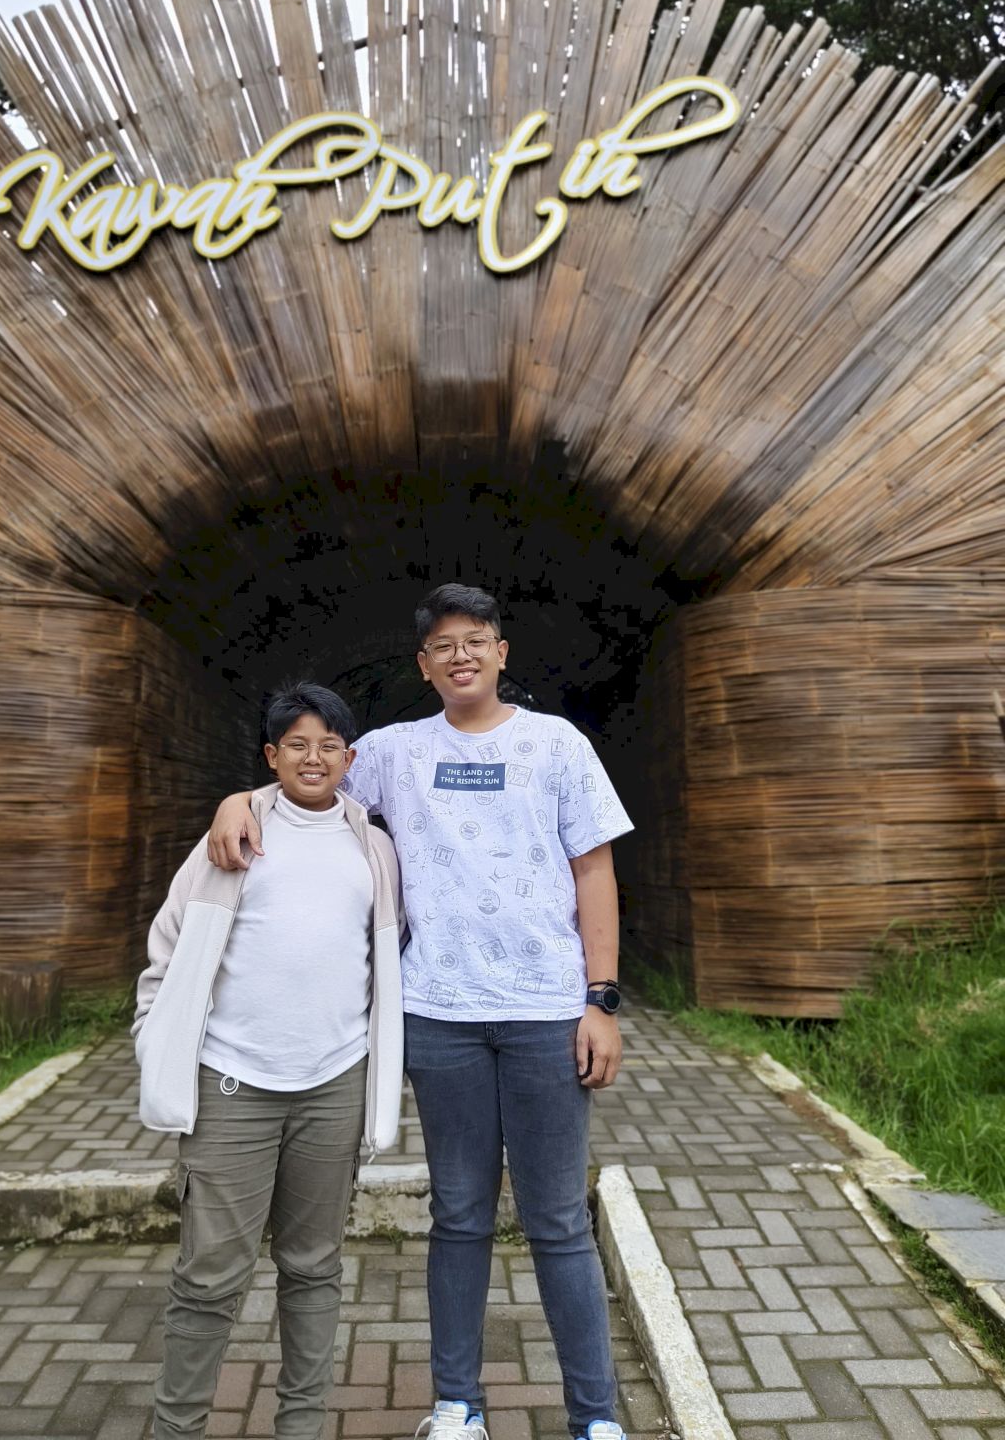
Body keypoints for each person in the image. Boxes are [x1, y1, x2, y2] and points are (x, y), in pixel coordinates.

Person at [208, 585, 633, 1440]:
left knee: (557, 1221)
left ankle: (595, 1418)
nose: (460, 655)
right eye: (444, 645)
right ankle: (456, 1406)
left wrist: (600, 1001)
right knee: (460, 1215)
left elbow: (593, 872)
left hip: (546, 1013)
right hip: (438, 1017)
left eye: (475, 640)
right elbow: (308, 777)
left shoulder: (557, 744)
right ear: (424, 665)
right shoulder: (394, 752)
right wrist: (238, 802)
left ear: (501, 653)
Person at [133, 681, 404, 1440]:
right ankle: (177, 1429)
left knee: (314, 1267)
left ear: (349, 759)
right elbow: (168, 947)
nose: (314, 758)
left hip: (334, 1083)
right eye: (297, 745)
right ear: (271, 756)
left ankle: (301, 1427)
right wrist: (155, 1037)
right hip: (232, 1084)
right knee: (209, 1275)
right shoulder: (234, 835)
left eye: (329, 746)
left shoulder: (375, 849)